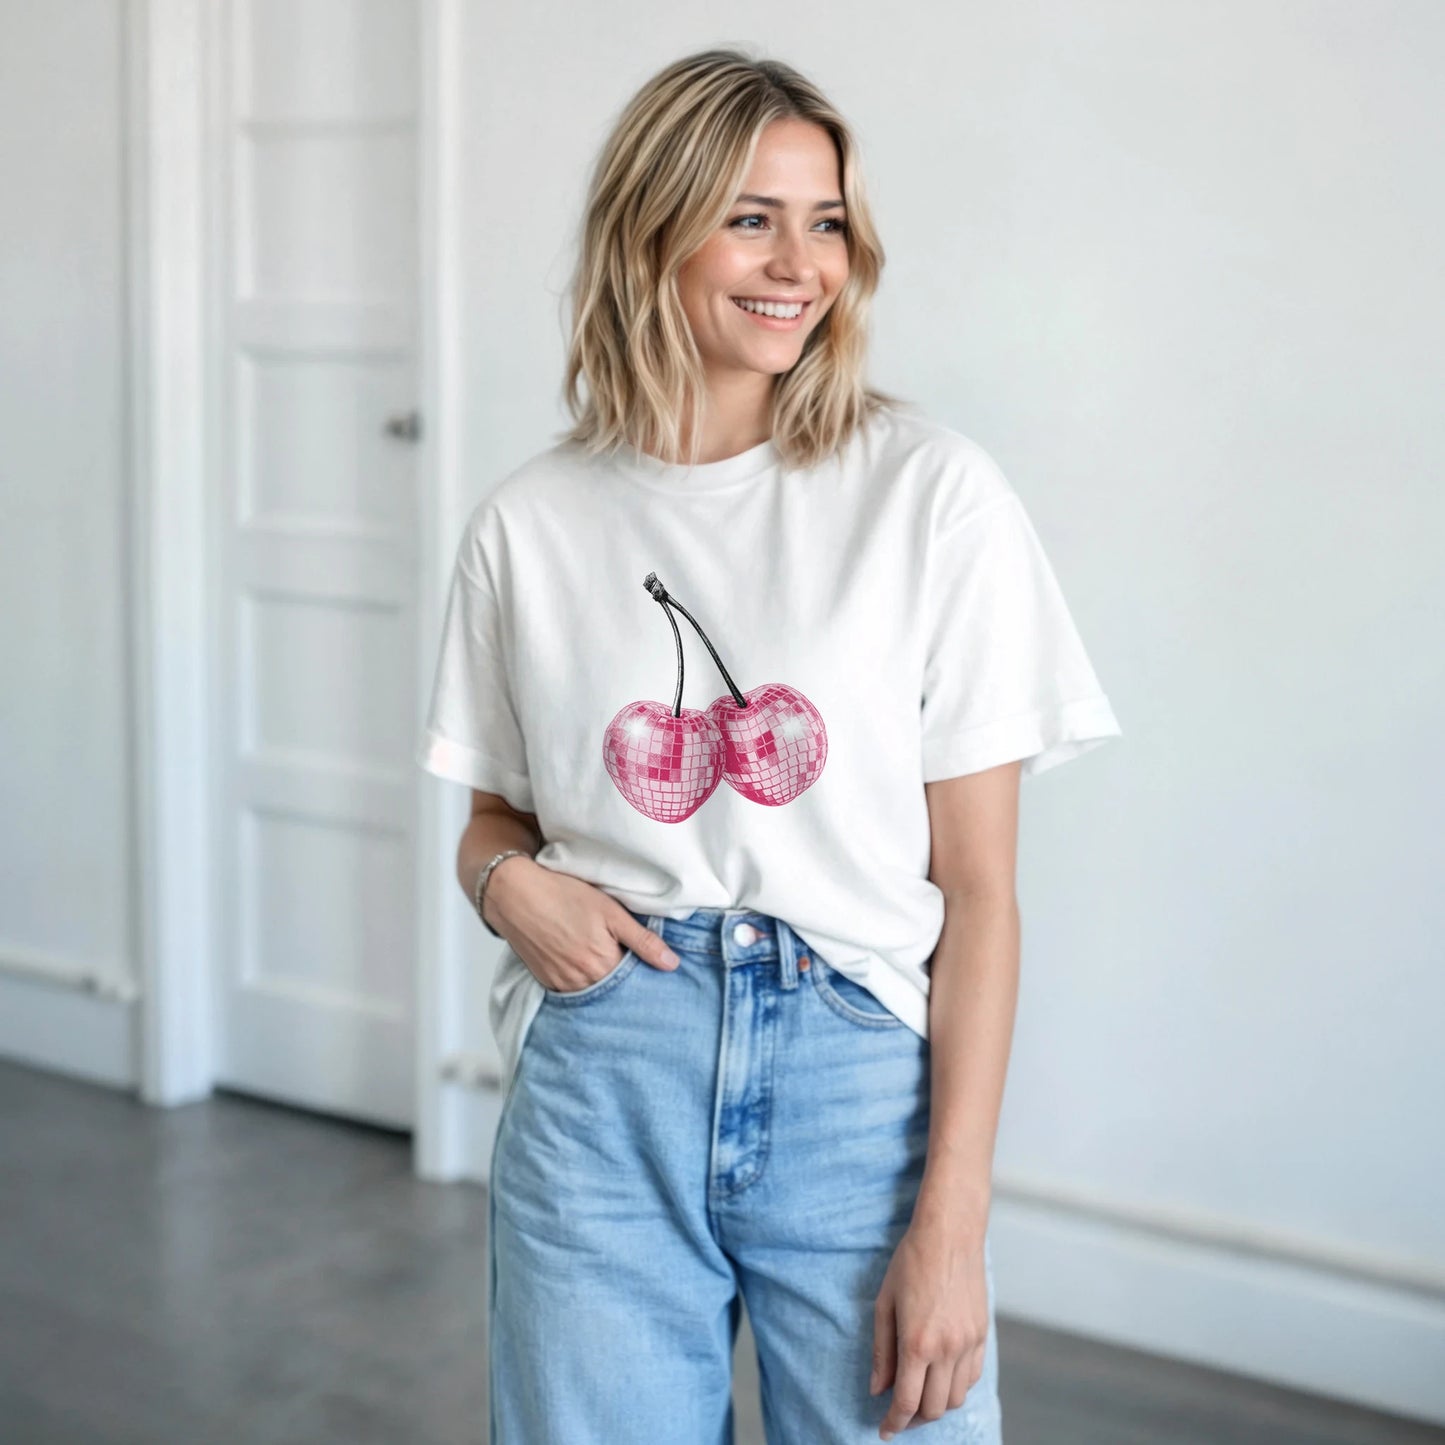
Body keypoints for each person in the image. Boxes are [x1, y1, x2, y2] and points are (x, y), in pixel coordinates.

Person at [416, 47, 1122, 1445]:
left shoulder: (929, 498)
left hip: (856, 1081)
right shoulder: (529, 524)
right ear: (650, 227)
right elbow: (496, 819)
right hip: (606, 1070)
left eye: (827, 221)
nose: (800, 261)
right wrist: (502, 884)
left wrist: (953, 1220)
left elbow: (978, 894)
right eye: (751, 215)